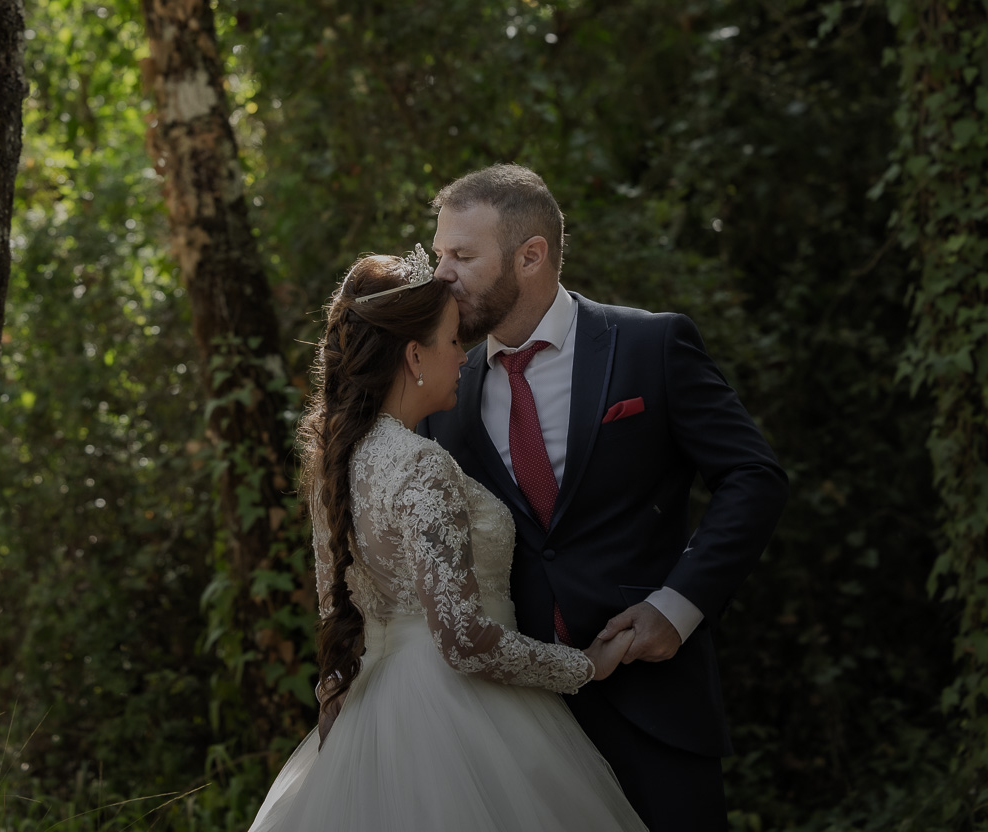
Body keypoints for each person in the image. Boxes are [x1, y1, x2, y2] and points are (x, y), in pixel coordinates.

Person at [420, 163, 790, 832]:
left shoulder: (650, 346)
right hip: (516, 720)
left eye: (462, 256)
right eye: (440, 253)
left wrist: (675, 609)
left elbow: (753, 477)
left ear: (531, 257)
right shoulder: (446, 392)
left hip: (653, 701)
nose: (442, 274)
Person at [248, 248, 649, 832]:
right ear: (415, 355)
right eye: (453, 341)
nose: (464, 357)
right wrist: (583, 666)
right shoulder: (420, 466)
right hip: (457, 712)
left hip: (372, 710)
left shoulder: (337, 465)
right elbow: (462, 641)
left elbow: (338, 607)